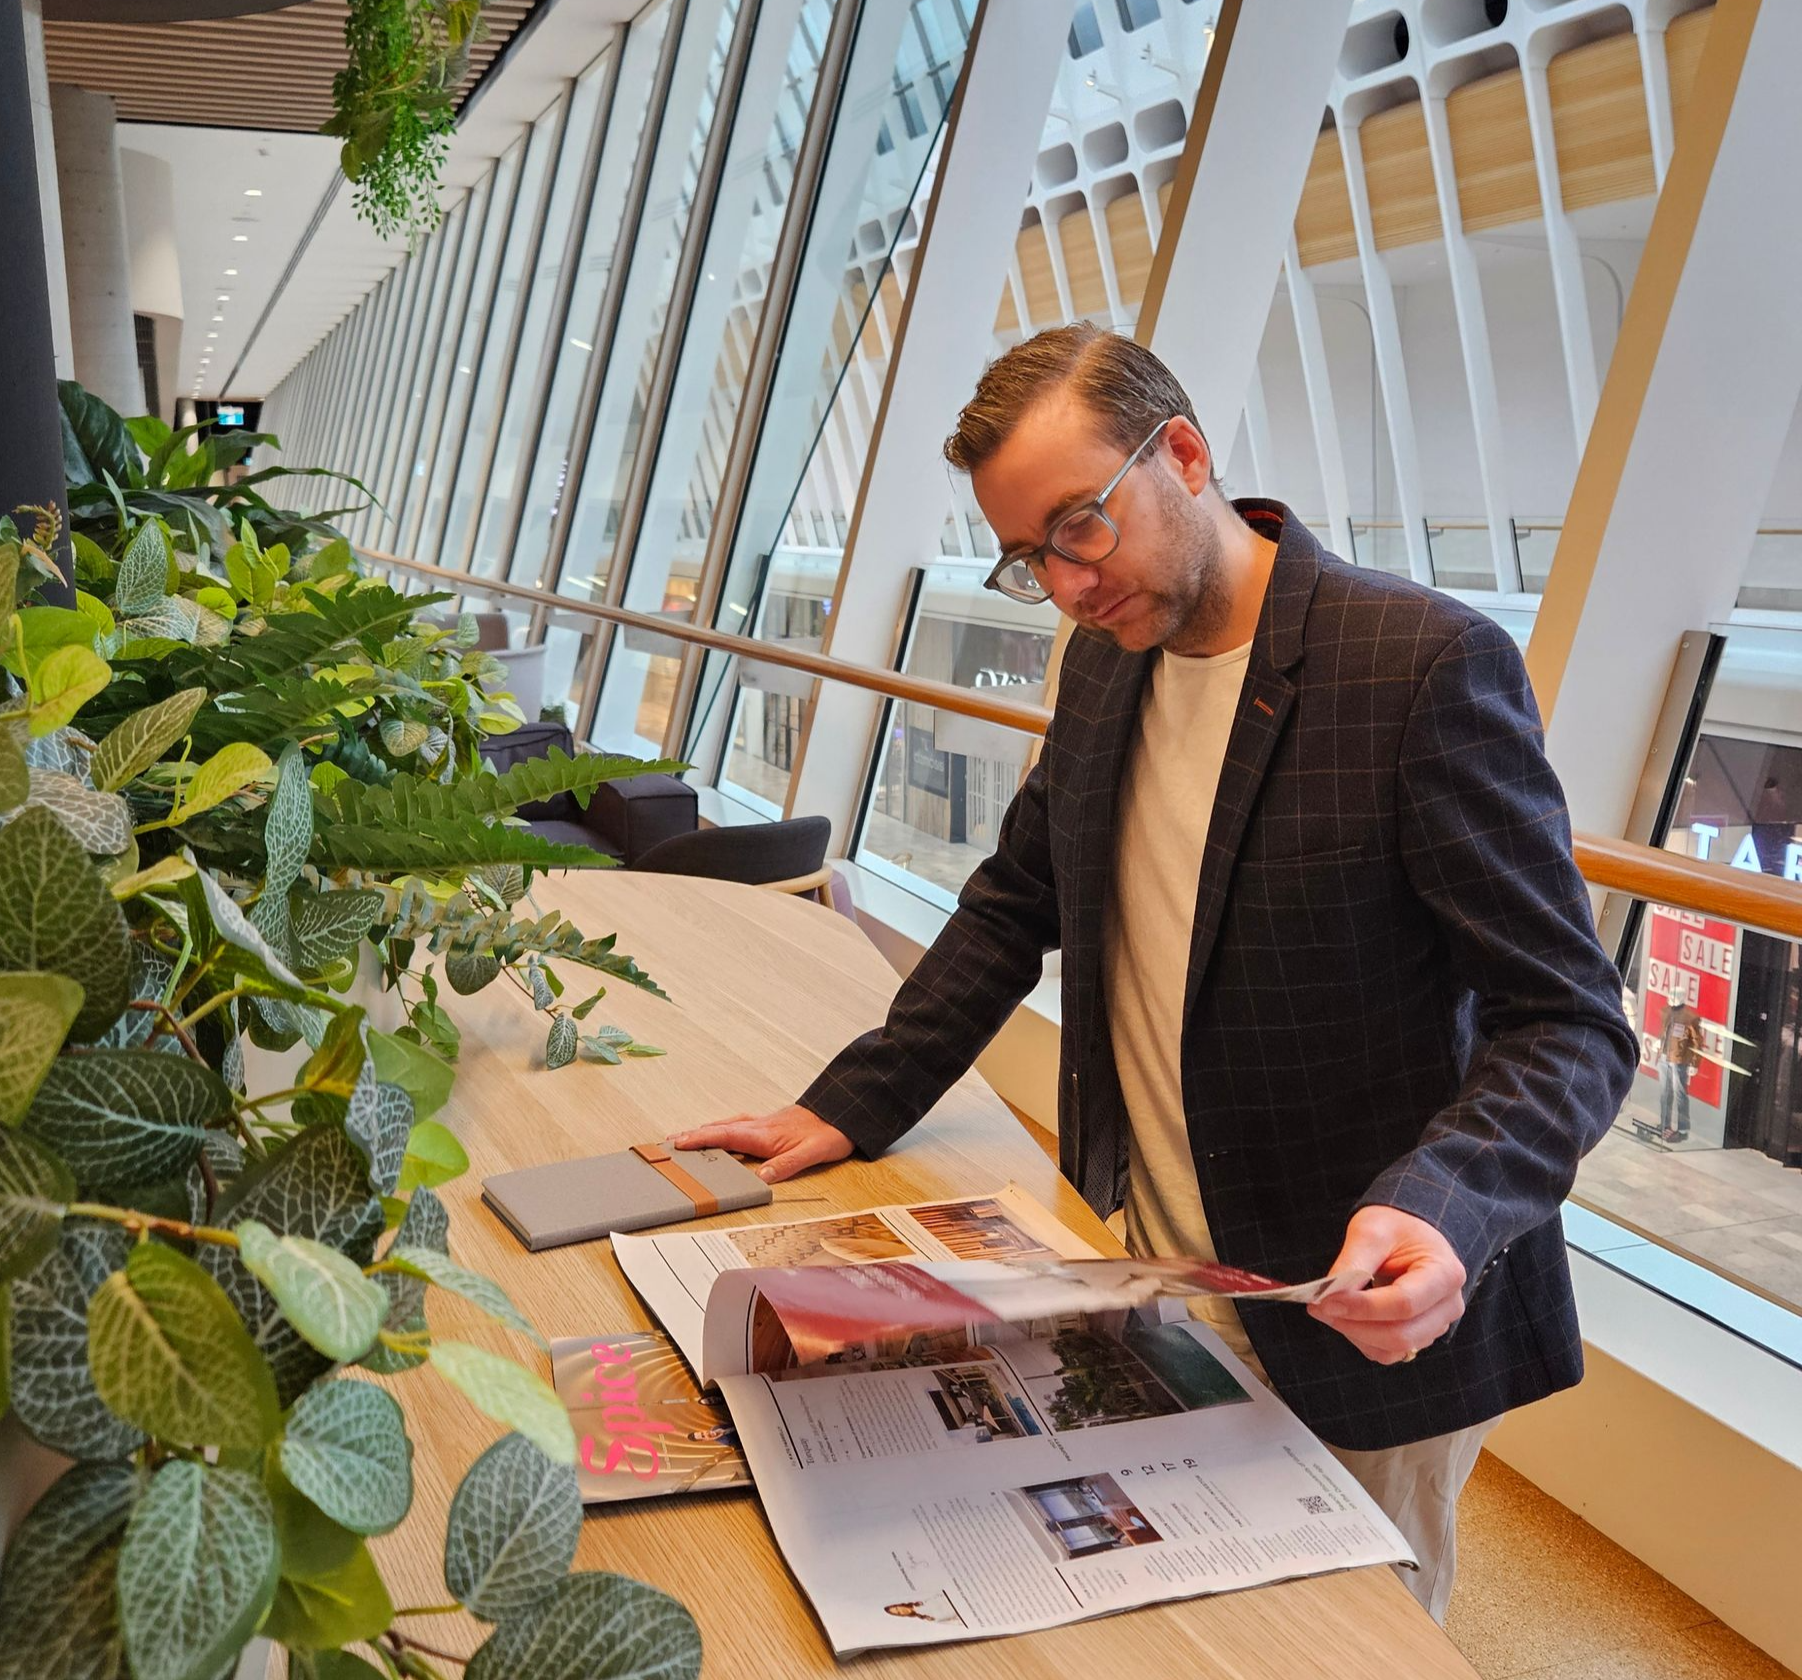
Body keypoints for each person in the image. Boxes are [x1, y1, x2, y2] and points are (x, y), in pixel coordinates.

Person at [675, 325, 1637, 1622]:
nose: (1066, 585)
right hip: (1159, 1264)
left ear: (1183, 453)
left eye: (1081, 526)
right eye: (1030, 556)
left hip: (1360, 1293)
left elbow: (1567, 1021)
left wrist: (1447, 1207)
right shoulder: (1106, 661)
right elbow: (1019, 901)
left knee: (1347, 1642)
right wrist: (852, 1102)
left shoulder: (1416, 667)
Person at [1658, 986, 1705, 1142]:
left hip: (1679, 1060)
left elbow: (1698, 1043)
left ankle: (1683, 1129)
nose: (1669, 997)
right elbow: (1663, 1033)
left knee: (1680, 1095)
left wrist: (1694, 1063)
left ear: (1681, 997)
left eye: (1673, 995)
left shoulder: (1690, 1018)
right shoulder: (1666, 1011)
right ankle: (1665, 1124)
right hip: (1665, 1057)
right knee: (1665, 1093)